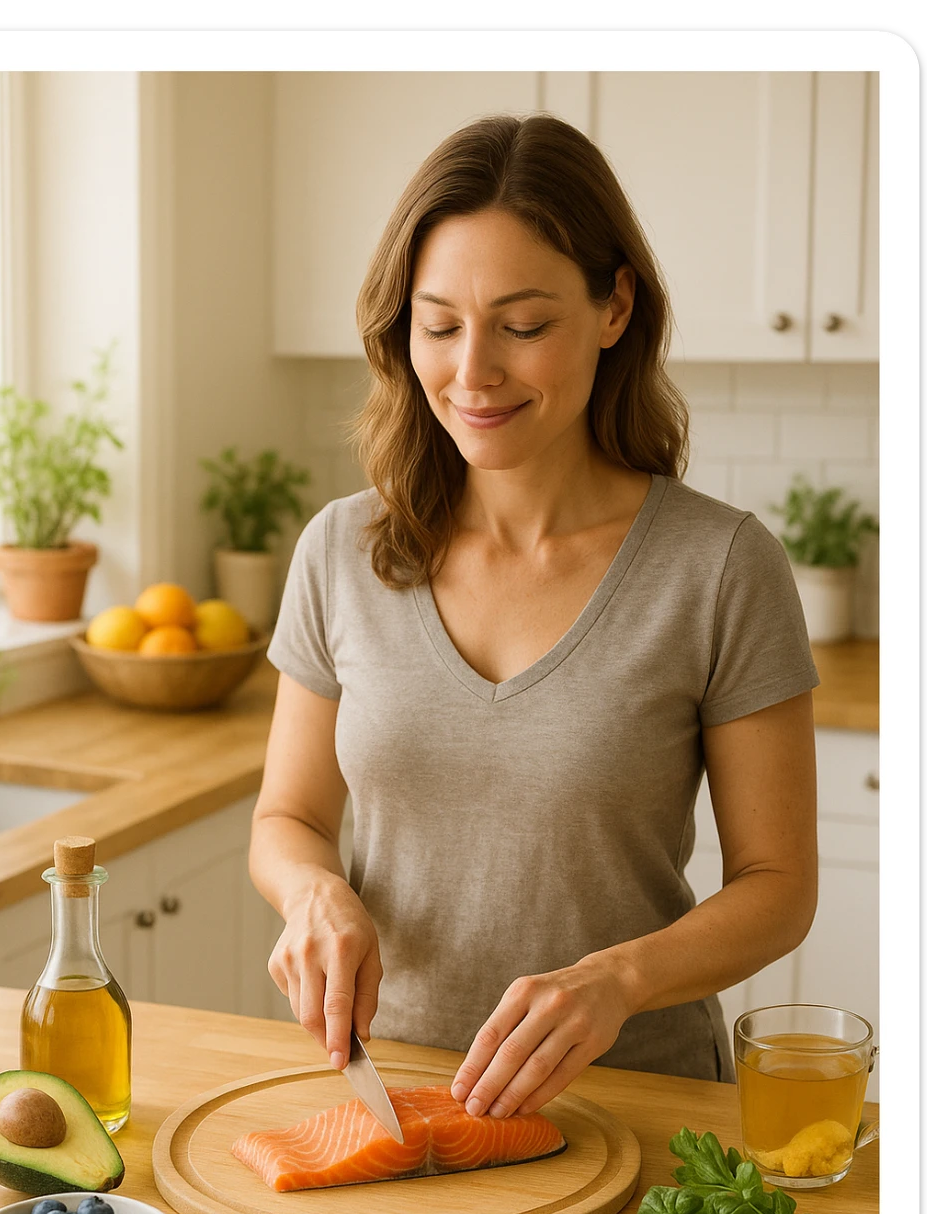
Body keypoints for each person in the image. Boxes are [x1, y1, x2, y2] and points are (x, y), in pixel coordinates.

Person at [248, 112, 819, 1120]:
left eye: (522, 326)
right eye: (439, 325)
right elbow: (285, 820)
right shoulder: (340, 551)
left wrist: (618, 980)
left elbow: (777, 885)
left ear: (613, 308)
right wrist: (312, 894)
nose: (473, 372)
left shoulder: (720, 566)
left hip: (642, 1106)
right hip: (396, 1096)